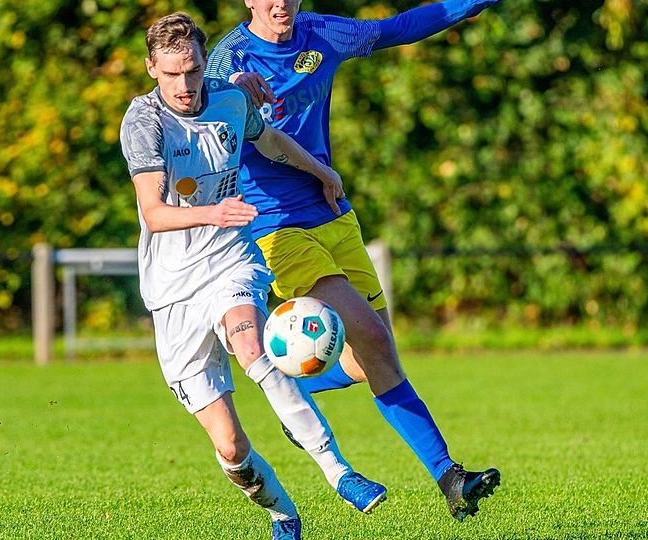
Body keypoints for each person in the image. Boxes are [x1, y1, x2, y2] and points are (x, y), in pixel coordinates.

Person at [205, 0, 504, 521]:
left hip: (333, 213)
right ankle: (451, 477)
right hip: (274, 226)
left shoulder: (322, 34)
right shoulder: (229, 55)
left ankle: (295, 385)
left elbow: (398, 29)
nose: (280, 3)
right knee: (366, 330)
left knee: (376, 357)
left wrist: (468, 4)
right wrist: (232, 85)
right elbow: (202, 99)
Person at [120, 12, 386, 540]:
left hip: (229, 261)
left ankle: (339, 472)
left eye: (193, 71)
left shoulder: (230, 99)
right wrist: (213, 212)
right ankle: (283, 514)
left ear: (201, 63)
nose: (185, 86)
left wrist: (321, 171)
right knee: (232, 449)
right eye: (172, 74)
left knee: (252, 347)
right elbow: (154, 213)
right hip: (172, 288)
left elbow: (271, 143)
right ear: (151, 68)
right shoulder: (144, 123)